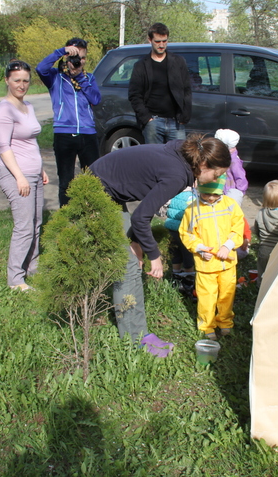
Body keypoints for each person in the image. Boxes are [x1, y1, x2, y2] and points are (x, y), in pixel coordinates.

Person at [90, 134, 231, 356]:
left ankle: (136, 333)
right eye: (217, 174)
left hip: (106, 185)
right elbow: (141, 218)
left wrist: (136, 242)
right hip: (96, 190)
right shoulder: (177, 175)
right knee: (127, 266)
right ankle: (135, 341)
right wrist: (154, 256)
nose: (217, 179)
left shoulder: (182, 154)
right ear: (203, 164)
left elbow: (141, 214)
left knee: (131, 255)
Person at [0, 60, 49, 291]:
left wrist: (40, 168)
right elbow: (3, 147)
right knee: (24, 226)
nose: (22, 85)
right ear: (7, 80)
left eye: (26, 80)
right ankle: (15, 279)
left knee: (36, 223)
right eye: (17, 80)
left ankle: (32, 267)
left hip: (33, 172)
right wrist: (20, 177)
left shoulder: (28, 106)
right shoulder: (3, 110)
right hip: (17, 174)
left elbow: (30, 141)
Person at [36, 38, 101, 207]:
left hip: (88, 134)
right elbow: (40, 68)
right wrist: (61, 51)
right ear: (67, 57)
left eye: (83, 58)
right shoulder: (55, 77)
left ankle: (92, 213)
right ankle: (67, 216)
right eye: (75, 57)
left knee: (93, 178)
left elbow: (96, 99)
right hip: (64, 134)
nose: (79, 61)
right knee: (66, 181)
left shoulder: (89, 78)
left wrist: (79, 77)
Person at [179, 175, 244, 341]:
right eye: (207, 194)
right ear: (199, 190)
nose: (211, 198)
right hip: (206, 265)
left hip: (227, 263)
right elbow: (187, 233)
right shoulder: (192, 209)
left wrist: (228, 246)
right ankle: (207, 326)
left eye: (215, 194)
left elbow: (238, 228)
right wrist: (200, 249)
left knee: (227, 294)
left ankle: (225, 322)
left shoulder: (230, 205)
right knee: (206, 297)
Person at [128, 23, 192, 144]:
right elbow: (134, 95)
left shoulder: (178, 62)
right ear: (150, 40)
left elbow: (186, 90)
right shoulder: (141, 66)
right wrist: (147, 119)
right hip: (153, 122)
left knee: (178, 155)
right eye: (157, 41)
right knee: (154, 155)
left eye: (164, 41)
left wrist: (185, 114)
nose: (161, 45)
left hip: (176, 121)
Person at [164, 187, 197, 295]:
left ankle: (176, 275)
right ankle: (189, 279)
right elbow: (193, 214)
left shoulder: (173, 194)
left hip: (171, 228)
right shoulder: (190, 197)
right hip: (184, 231)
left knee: (175, 252)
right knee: (187, 254)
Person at [214, 129, 248, 205]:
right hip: (221, 191)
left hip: (230, 194)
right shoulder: (223, 156)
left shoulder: (233, 161)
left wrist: (239, 192)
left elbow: (240, 177)